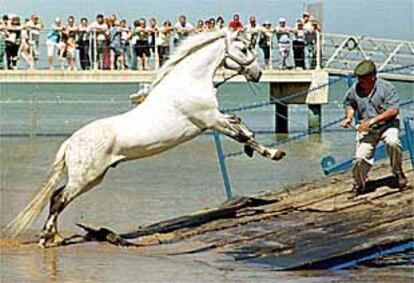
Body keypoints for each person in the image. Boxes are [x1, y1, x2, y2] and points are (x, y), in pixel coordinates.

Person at [341, 60, 408, 194]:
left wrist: (372, 121)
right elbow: (349, 104)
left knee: (393, 142)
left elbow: (394, 110)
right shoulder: (355, 89)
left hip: (388, 125)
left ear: (372, 77)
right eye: (359, 78)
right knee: (360, 158)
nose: (360, 82)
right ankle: (360, 183)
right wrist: (348, 117)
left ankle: (398, 172)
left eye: (363, 79)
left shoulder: (387, 87)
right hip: (368, 130)